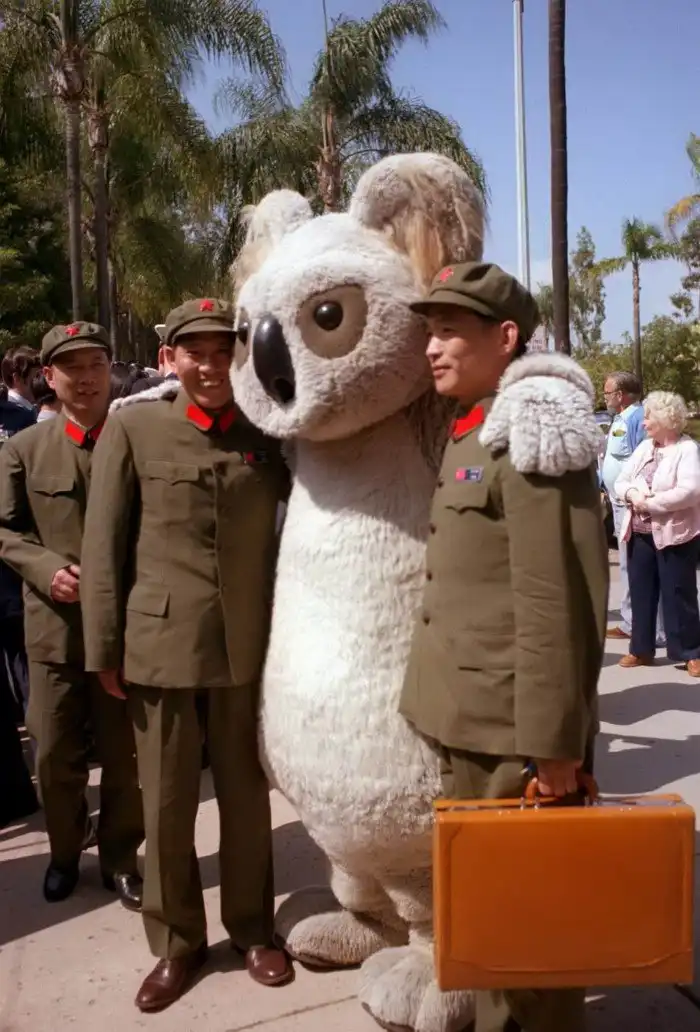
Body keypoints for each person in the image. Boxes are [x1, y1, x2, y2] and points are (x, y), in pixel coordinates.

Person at [400, 262, 609, 1032]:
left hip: (512, 730)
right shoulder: (475, 425)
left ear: (507, 337)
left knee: (532, 921)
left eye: (450, 330)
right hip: (469, 717)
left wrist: (554, 746)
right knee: (491, 909)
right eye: (429, 331)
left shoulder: (533, 429)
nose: (432, 347)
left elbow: (557, 598)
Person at [81, 298, 293, 1012]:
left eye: (222, 352)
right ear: (169, 359)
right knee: (168, 803)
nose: (209, 366)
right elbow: (104, 546)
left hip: (246, 645)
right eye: (194, 353)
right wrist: (103, 645)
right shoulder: (134, 428)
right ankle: (177, 944)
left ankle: (253, 929)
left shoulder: (266, 434)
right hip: (161, 645)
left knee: (246, 797)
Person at [0, 321, 144, 906]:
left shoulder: (137, 441)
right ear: (49, 377)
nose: (86, 379)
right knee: (55, 753)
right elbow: (5, 530)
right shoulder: (24, 450)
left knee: (124, 757)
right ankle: (65, 852)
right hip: (54, 633)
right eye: (72, 368)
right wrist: (44, 568)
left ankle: (120, 857)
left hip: (126, 631)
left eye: (96, 366)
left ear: (109, 371)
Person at [614, 391, 700, 674]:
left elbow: (690, 491)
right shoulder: (644, 447)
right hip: (639, 533)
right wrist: (631, 493)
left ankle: (690, 652)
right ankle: (640, 649)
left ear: (665, 419)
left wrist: (650, 503)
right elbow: (621, 481)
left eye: (649, 417)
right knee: (641, 591)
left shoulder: (687, 449)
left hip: (675, 534)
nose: (644, 422)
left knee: (679, 593)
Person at [602, 371, 665, 646]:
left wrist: (635, 495)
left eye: (607, 392)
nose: (604, 397)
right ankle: (631, 622)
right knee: (628, 566)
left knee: (640, 567)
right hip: (618, 502)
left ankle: (652, 629)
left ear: (621, 395)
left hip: (632, 505)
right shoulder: (619, 418)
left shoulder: (638, 418)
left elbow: (645, 462)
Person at [1, 345, 40, 413]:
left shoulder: (30, 408)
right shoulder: (11, 413)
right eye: (37, 376)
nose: (41, 381)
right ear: (17, 378)